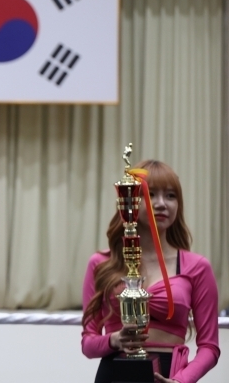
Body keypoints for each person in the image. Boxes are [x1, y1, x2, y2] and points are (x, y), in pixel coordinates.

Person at [81, 160, 220, 383]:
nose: (161, 204)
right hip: (114, 374)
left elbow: (210, 347)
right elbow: (88, 344)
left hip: (170, 376)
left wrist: (182, 380)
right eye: (150, 194)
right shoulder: (101, 263)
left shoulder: (197, 267)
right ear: (131, 200)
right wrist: (115, 340)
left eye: (171, 195)